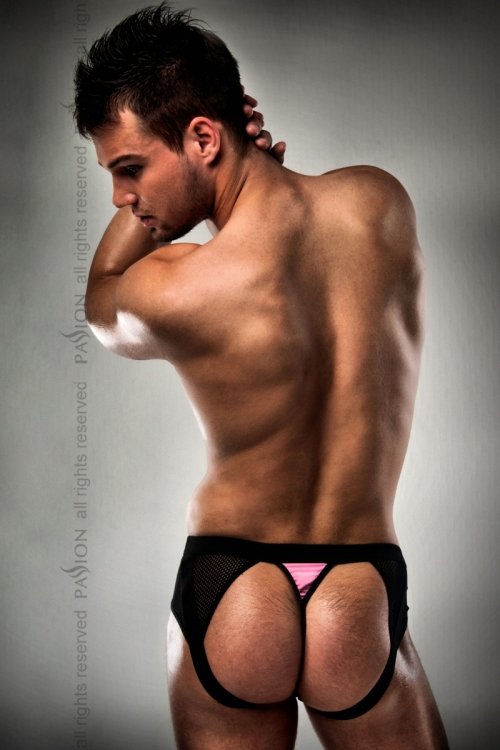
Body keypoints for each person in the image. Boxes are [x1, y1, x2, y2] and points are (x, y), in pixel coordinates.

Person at [73, 4, 449, 749]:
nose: (122, 197)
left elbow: (100, 302)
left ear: (203, 137)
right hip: (360, 584)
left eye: (129, 169)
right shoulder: (381, 202)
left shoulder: (176, 287)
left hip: (232, 583)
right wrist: (238, 175)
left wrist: (186, 219)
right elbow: (289, 243)